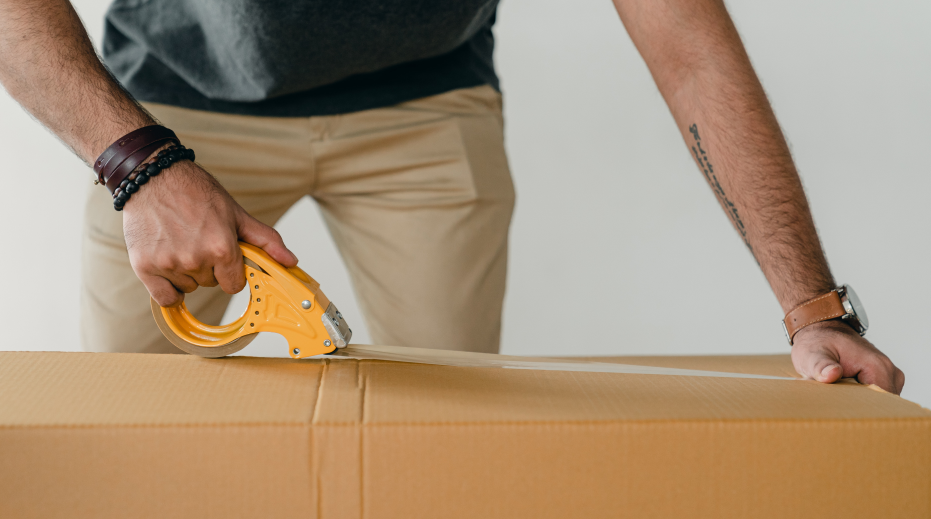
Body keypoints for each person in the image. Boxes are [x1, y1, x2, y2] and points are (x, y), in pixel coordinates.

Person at [0, 0, 904, 393]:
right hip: (171, 106)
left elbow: (694, 55)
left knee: (442, 430)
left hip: (424, 106)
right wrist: (140, 166)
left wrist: (812, 309)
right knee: (133, 415)